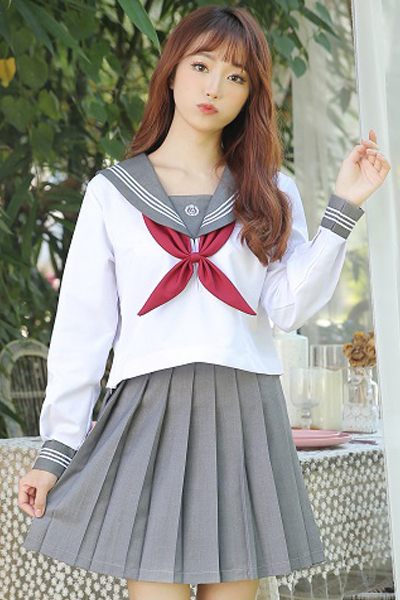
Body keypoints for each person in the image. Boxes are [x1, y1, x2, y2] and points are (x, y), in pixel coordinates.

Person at [18, 5, 390, 600]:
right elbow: (82, 333)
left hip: (244, 411)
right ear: (171, 72)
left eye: (236, 76)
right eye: (201, 65)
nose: (215, 86)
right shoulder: (113, 194)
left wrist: (343, 207)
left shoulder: (270, 189)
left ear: (251, 94)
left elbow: (288, 308)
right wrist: (55, 451)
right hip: (147, 412)